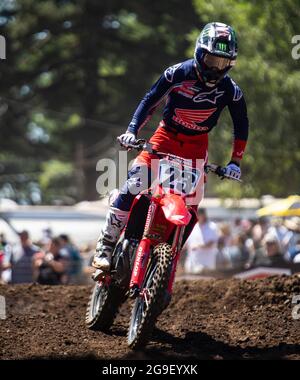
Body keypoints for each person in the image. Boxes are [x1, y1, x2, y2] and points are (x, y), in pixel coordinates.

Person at [93, 22, 249, 271]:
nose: (215, 68)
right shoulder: (176, 73)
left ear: (231, 64)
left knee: (192, 205)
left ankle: (168, 260)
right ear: (199, 53)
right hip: (165, 135)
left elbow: (241, 125)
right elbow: (150, 100)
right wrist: (132, 131)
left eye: (222, 63)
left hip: (197, 146)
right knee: (135, 182)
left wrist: (235, 161)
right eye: (211, 60)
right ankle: (106, 244)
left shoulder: (231, 90)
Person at [184, 208, 219, 273]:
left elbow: (212, 243)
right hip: (192, 261)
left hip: (206, 262)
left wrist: (198, 246)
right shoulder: (193, 227)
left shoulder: (212, 226)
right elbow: (187, 243)